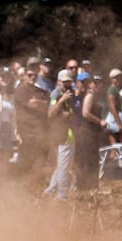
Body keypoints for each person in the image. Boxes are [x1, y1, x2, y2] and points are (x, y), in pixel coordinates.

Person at [43, 68, 79, 201]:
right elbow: (50, 114)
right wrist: (61, 101)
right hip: (61, 134)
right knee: (63, 167)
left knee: (63, 165)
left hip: (69, 134)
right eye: (64, 82)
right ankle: (61, 195)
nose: (67, 84)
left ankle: (50, 190)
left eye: (69, 82)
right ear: (59, 82)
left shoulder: (71, 93)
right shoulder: (56, 94)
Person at [14, 58, 50, 180]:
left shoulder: (41, 91)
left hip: (41, 133)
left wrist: (38, 103)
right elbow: (33, 104)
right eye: (29, 75)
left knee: (40, 163)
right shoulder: (19, 91)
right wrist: (41, 103)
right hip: (26, 134)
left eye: (34, 75)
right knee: (26, 164)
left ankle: (37, 190)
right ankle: (24, 192)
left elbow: (48, 106)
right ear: (24, 76)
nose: (32, 77)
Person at [106, 68, 122, 145]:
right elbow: (112, 107)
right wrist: (119, 124)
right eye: (116, 77)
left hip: (116, 118)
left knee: (118, 143)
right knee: (118, 141)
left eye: (120, 77)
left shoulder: (116, 89)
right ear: (111, 79)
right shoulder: (112, 90)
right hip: (113, 119)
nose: (119, 79)